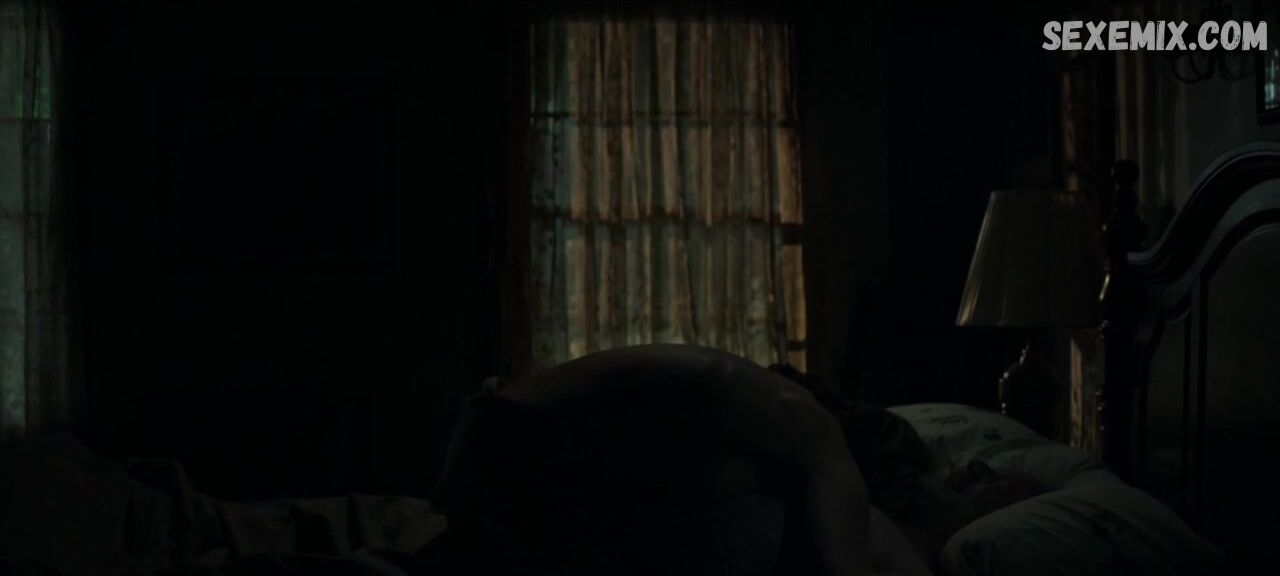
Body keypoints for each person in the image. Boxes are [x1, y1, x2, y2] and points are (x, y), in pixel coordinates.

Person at [431, 345, 1036, 575]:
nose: (973, 470)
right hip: (508, 448)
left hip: (496, 461)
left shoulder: (757, 465)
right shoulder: (812, 436)